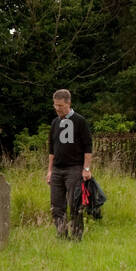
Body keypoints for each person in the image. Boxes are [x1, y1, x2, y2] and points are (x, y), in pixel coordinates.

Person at [46, 88, 93, 241]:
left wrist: (86, 168)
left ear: (68, 103)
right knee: (56, 206)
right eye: (55, 105)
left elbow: (88, 147)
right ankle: (61, 236)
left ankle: (77, 237)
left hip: (74, 169)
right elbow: (51, 149)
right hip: (57, 170)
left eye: (60, 105)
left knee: (74, 204)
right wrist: (50, 171)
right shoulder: (54, 123)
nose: (57, 108)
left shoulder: (80, 121)